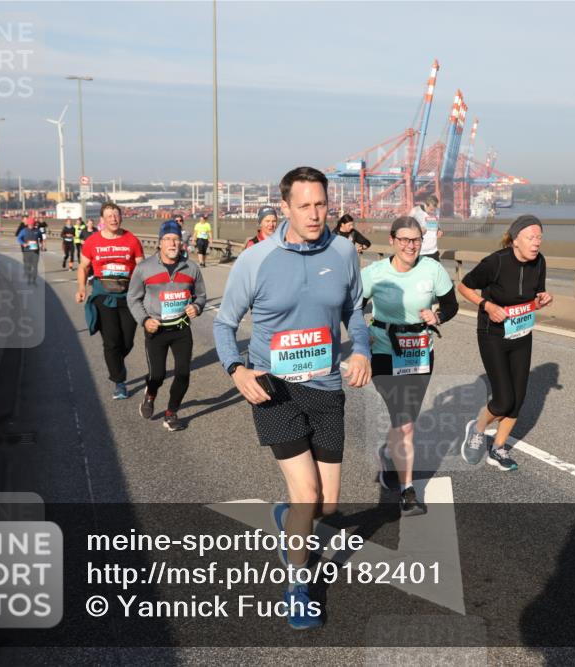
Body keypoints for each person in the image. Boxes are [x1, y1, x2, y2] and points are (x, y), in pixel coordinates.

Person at [213, 166, 371, 630]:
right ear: (284, 208)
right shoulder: (257, 259)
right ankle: (298, 586)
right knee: (306, 495)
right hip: (274, 389)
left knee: (327, 504)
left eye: (321, 203)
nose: (314, 213)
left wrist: (360, 349)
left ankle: (289, 521)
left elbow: (354, 312)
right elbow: (224, 324)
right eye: (303, 205)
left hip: (325, 387)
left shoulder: (344, 252)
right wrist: (236, 368)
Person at [361, 216, 457, 515]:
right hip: (384, 351)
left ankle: (388, 453)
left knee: (405, 419)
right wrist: (362, 338)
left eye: (415, 239)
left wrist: (437, 317)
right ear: (391, 240)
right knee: (405, 423)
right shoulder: (375, 273)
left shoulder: (432, 269)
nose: (409, 245)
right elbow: (350, 308)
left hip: (419, 353)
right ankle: (408, 491)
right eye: (403, 239)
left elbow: (451, 304)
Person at [456, 215, 552, 471]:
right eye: (531, 238)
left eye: (539, 238)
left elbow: (534, 297)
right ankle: (476, 429)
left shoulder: (539, 262)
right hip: (493, 335)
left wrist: (541, 300)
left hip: (521, 335)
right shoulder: (495, 263)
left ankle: (497, 449)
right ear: (515, 240)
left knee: (518, 399)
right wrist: (487, 305)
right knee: (502, 401)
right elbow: (463, 286)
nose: (536, 243)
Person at [127, 219, 207, 431]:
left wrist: (197, 307)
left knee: (183, 373)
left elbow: (201, 295)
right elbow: (133, 299)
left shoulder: (191, 268)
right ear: (160, 243)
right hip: (156, 330)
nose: (172, 243)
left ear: (182, 243)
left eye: (176, 239)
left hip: (181, 328)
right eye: (168, 239)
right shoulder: (144, 268)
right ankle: (150, 393)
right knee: (158, 375)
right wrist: (145, 321)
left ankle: (171, 413)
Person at [76, 203, 146, 400]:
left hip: (129, 296)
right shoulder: (92, 241)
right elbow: (83, 267)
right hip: (103, 296)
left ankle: (115, 361)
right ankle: (119, 382)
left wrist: (146, 291)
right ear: (102, 220)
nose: (113, 218)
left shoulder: (131, 240)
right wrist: (81, 288)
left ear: (121, 217)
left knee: (128, 341)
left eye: (116, 215)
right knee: (112, 340)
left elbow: (141, 268)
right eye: (109, 216)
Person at [409, 195, 442, 262]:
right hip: (421, 251)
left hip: (433, 251)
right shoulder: (415, 211)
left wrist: (439, 230)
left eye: (434, 210)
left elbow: (436, 225)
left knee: (436, 271)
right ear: (425, 205)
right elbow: (406, 226)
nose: (433, 212)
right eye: (431, 210)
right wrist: (418, 230)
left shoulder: (437, 211)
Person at [17, 218, 44, 285]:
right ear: (28, 224)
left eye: (32, 224)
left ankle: (34, 280)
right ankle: (29, 279)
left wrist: (41, 244)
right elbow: (19, 238)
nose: (31, 225)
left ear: (34, 224)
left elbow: (41, 238)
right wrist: (23, 244)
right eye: (30, 224)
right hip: (27, 251)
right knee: (28, 266)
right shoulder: (24, 231)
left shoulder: (37, 231)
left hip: (35, 251)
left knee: (35, 266)